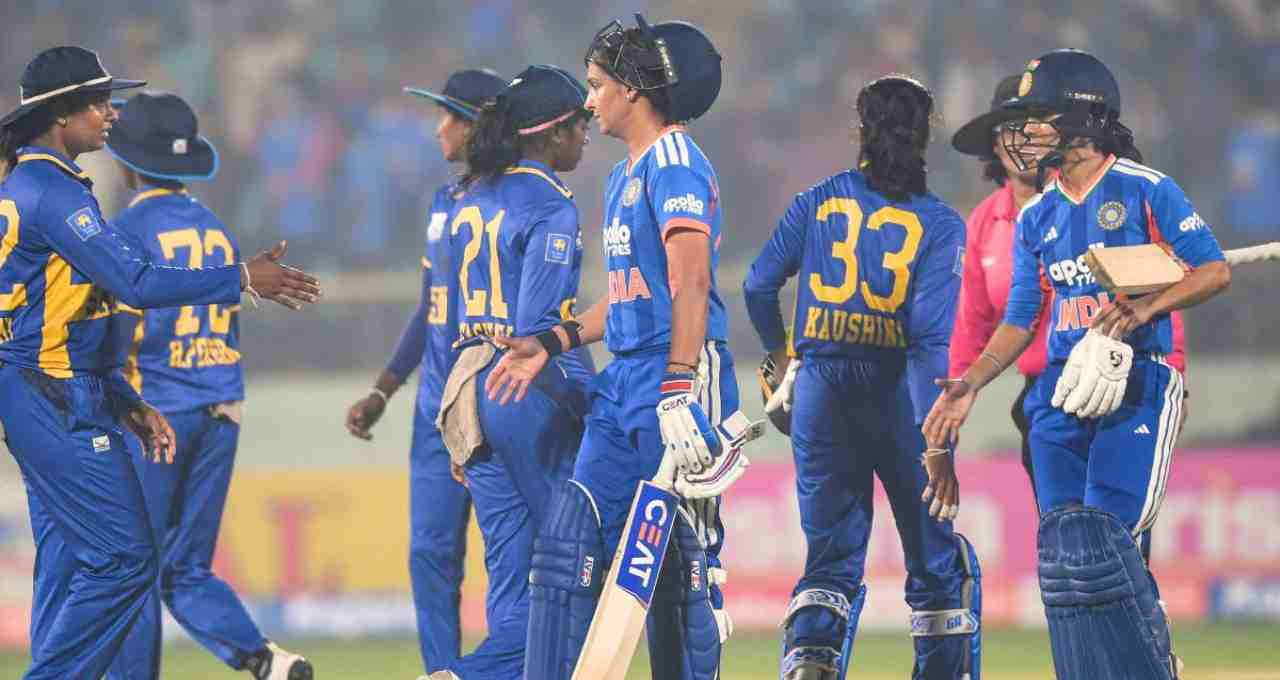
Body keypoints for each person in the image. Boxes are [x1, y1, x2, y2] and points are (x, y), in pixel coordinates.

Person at [0, 46, 320, 680]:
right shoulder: (53, 192)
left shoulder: (41, 186)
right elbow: (137, 283)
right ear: (60, 114)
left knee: (75, 559)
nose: (110, 112)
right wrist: (241, 276)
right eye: (98, 101)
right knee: (124, 561)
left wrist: (124, 399)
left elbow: (80, 315)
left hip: (60, 388)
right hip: (52, 391)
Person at [924, 49, 1231, 680]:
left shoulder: (1146, 189)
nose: (1025, 134)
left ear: (1083, 117)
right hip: (1060, 396)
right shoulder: (1037, 214)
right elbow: (1020, 318)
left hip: (1138, 381)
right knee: (1065, 557)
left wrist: (1148, 308)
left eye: (1038, 117)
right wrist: (969, 384)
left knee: (1107, 544)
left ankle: (1153, 666)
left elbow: (1213, 270)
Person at [483, 16, 744, 680]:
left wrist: (679, 385)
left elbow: (691, 282)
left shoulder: (676, 163)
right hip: (622, 383)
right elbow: (630, 295)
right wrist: (551, 341)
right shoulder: (622, 175)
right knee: (566, 548)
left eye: (597, 85)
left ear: (633, 90)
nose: (589, 100)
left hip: (673, 377)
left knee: (683, 569)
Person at [743, 75, 981, 680]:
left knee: (829, 563)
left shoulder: (817, 200)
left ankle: (811, 668)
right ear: (925, 134)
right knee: (935, 561)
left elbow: (758, 285)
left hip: (821, 392)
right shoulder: (941, 224)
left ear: (861, 129)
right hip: (899, 394)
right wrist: (937, 445)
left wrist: (780, 355)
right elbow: (929, 343)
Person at [103, 91, 311, 680]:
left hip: (158, 413)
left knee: (132, 570)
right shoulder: (217, 232)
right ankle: (264, 659)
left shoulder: (123, 231)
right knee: (186, 567)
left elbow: (119, 332)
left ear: (128, 162)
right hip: (222, 406)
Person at [426, 64, 594, 680]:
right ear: (552, 133)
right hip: (526, 389)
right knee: (577, 564)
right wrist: (596, 398)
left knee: (510, 572)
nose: (586, 136)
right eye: (580, 125)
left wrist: (455, 415)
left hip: (468, 387)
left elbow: (453, 322)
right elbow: (536, 330)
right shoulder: (551, 203)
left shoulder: (469, 198)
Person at [949, 74, 1188, 507]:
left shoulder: (1101, 196)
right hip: (1045, 393)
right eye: (1011, 129)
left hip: (1119, 374)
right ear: (994, 146)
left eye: (1035, 124)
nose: (1024, 138)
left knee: (1117, 523)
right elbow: (973, 323)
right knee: (1063, 528)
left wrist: (1174, 374)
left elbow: (1156, 290)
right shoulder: (985, 222)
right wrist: (959, 391)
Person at [344, 67, 505, 676]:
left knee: (510, 559)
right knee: (431, 556)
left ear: (478, 125)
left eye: (449, 117)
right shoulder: (443, 203)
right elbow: (428, 309)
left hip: (495, 407)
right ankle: (442, 673)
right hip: (435, 413)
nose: (438, 129)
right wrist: (383, 389)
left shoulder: (518, 199)